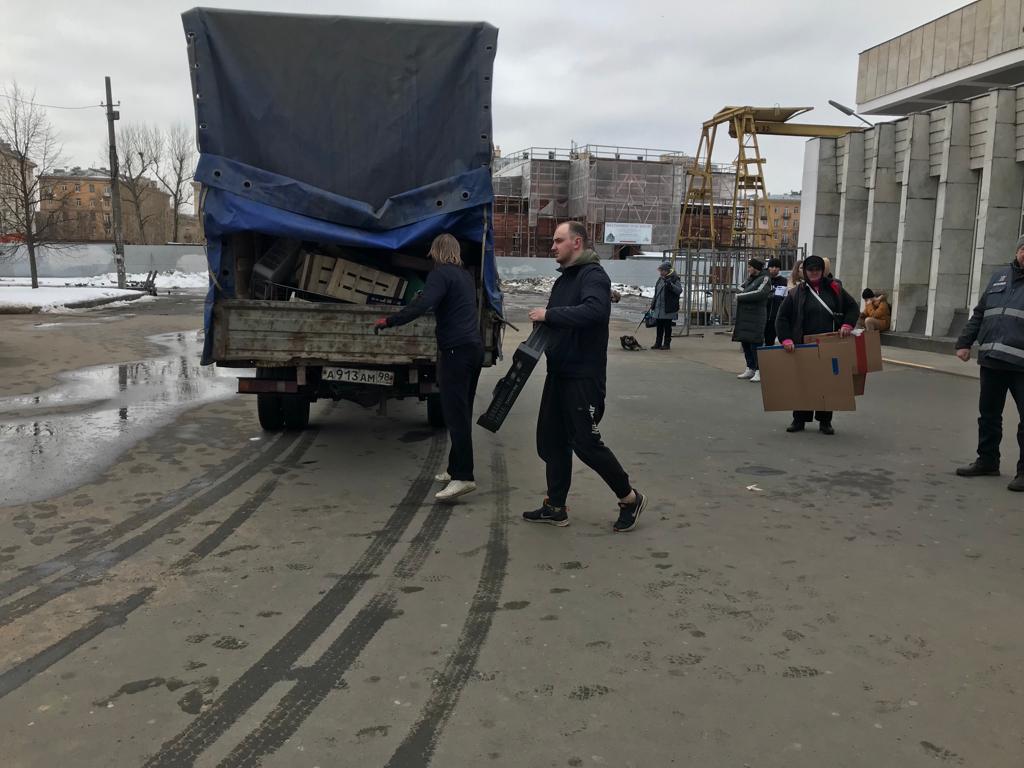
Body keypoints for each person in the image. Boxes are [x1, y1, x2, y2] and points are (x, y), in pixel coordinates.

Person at [525, 220, 647, 532]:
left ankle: (630, 498)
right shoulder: (564, 280)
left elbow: (595, 312)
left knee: (586, 443)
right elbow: (561, 321)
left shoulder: (593, 276)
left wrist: (549, 315)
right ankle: (555, 506)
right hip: (559, 373)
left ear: (576, 242)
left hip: (583, 376)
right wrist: (544, 326)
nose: (553, 246)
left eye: (559, 240)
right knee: (552, 442)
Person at [375, 234, 482, 502]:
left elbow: (423, 304)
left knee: (455, 415)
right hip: (473, 349)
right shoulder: (464, 276)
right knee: (462, 412)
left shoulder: (440, 274)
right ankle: (455, 468)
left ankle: (464, 477)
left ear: (436, 252)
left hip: (455, 352)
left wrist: (390, 321)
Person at [953, 235, 1024, 493]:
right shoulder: (999, 277)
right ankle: (987, 460)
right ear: (1017, 251)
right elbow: (980, 313)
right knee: (989, 415)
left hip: (1021, 364)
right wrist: (964, 342)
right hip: (992, 360)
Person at [775, 254, 859, 435]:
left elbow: (852, 307)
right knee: (804, 383)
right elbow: (782, 318)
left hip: (830, 344)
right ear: (805, 272)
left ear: (822, 271)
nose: (814, 273)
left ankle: (825, 421)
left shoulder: (835, 289)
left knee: (827, 384)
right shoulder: (796, 293)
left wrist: (847, 324)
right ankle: (799, 419)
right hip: (803, 345)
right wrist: (786, 339)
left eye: (817, 270)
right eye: (810, 270)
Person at [733, 257, 771, 383]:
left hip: (756, 316)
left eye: (750, 267)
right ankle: (750, 368)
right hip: (745, 316)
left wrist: (741, 297)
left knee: (756, 344)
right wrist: (743, 294)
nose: (748, 269)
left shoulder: (765, 278)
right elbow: (740, 288)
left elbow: (760, 293)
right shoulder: (750, 278)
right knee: (745, 342)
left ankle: (760, 370)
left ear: (756, 268)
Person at [650, 261, 682, 350]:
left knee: (667, 326)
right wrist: (653, 304)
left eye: (662, 270)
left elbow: (679, 291)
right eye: (660, 270)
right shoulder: (660, 279)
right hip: (659, 308)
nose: (661, 272)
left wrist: (670, 285)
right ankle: (658, 343)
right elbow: (656, 293)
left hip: (668, 307)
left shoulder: (674, 279)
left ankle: (667, 344)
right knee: (659, 326)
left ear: (668, 271)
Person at [764, 257, 788, 346]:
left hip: (776, 315)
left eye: (776, 267)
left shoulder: (784, 281)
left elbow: (786, 298)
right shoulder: (764, 279)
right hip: (763, 314)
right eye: (772, 267)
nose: (774, 269)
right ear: (768, 268)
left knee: (770, 340)